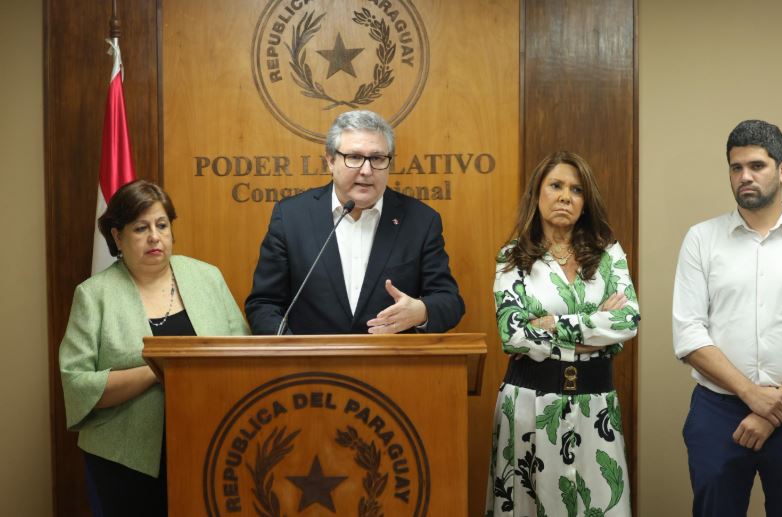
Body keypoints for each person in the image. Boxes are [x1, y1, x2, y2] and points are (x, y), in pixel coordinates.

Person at [672, 120, 782, 517]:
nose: (744, 176)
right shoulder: (701, 239)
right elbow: (689, 333)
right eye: (736, 168)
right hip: (717, 411)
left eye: (756, 166)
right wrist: (752, 396)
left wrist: (773, 409)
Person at [58, 180, 249, 516]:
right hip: (124, 457)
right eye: (140, 228)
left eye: (162, 225)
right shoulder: (94, 295)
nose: (154, 237)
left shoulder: (206, 277)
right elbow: (77, 384)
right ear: (117, 237)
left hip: (210, 443)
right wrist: (157, 369)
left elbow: (242, 354)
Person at [486, 151, 640, 516]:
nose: (565, 196)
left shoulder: (609, 256)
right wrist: (595, 323)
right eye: (555, 186)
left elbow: (628, 322)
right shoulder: (512, 258)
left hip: (596, 405)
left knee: (600, 505)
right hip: (527, 404)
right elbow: (513, 335)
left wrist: (554, 323)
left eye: (576, 190)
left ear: (585, 204)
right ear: (538, 194)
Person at [245, 110, 464, 335]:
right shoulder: (292, 217)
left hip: (393, 365)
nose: (366, 170)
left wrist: (422, 311)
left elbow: (449, 302)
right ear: (330, 160)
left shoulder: (421, 220)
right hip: (310, 367)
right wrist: (293, 351)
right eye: (355, 158)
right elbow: (263, 304)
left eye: (377, 159)